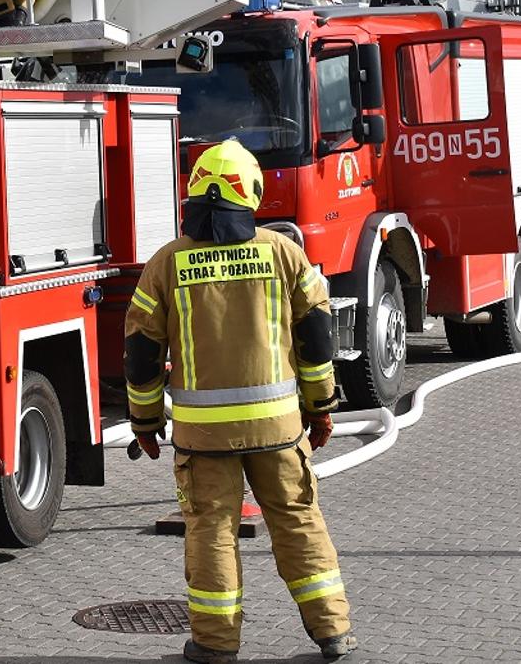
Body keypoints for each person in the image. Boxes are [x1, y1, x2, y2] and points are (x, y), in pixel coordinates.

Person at [125, 140, 355, 662]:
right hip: (278, 430)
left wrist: (144, 421)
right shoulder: (282, 253)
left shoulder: (167, 263)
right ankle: (333, 632)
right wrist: (320, 408)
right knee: (298, 522)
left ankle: (214, 644)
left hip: (202, 437)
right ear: (251, 193)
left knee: (211, 532)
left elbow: (141, 351)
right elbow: (317, 338)